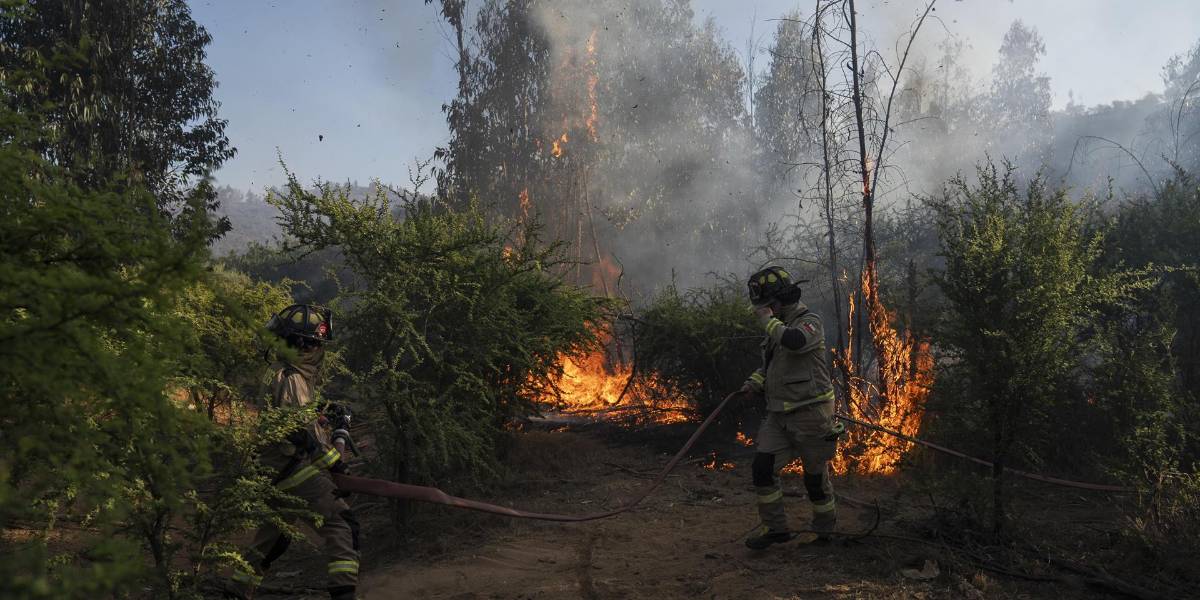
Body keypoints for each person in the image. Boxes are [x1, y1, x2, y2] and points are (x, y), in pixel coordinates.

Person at [229, 304, 361, 600]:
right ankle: (344, 593)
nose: (319, 350)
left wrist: (322, 410)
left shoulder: (281, 371)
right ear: (304, 344)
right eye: (316, 344)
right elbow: (304, 434)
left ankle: (236, 591)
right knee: (342, 523)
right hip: (291, 467)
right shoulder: (292, 377)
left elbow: (293, 413)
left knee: (273, 539)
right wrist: (337, 467)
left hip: (273, 467)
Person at [739, 267, 844, 550]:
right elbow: (771, 366)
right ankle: (776, 529)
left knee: (814, 478)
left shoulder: (809, 322)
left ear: (780, 300)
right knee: (762, 468)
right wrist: (754, 381)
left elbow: (795, 343)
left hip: (811, 414)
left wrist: (767, 320)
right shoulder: (778, 326)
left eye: (766, 304)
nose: (763, 310)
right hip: (779, 416)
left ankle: (824, 532)